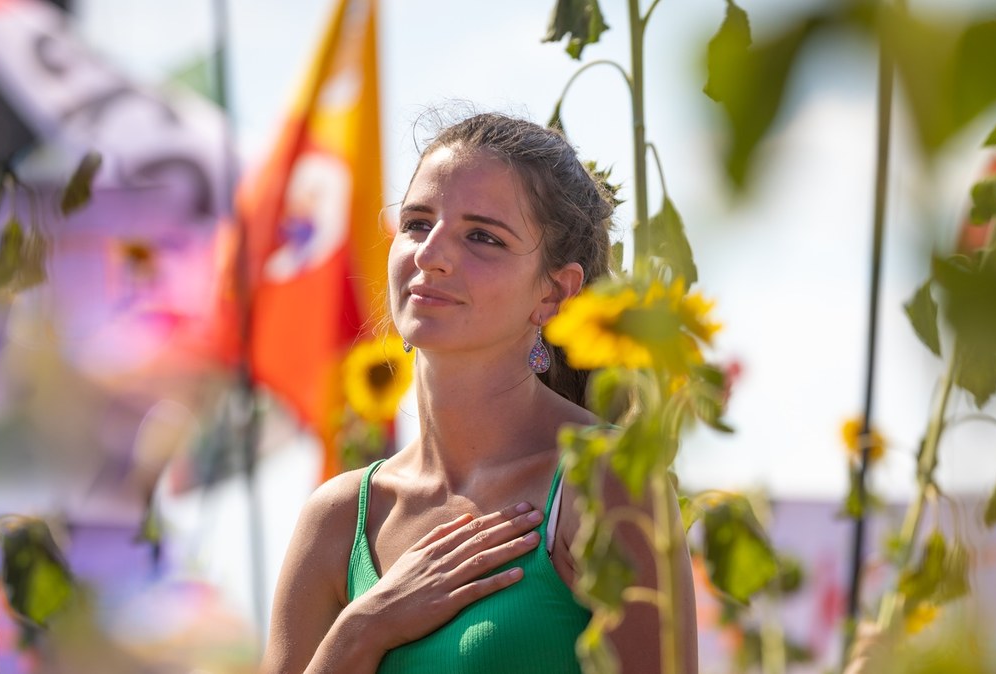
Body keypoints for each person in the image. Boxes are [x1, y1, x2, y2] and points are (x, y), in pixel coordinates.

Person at [262, 112, 698, 673]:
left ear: (554, 293)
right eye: (418, 223)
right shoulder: (339, 519)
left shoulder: (604, 480)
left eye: (483, 236)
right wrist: (362, 630)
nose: (430, 254)